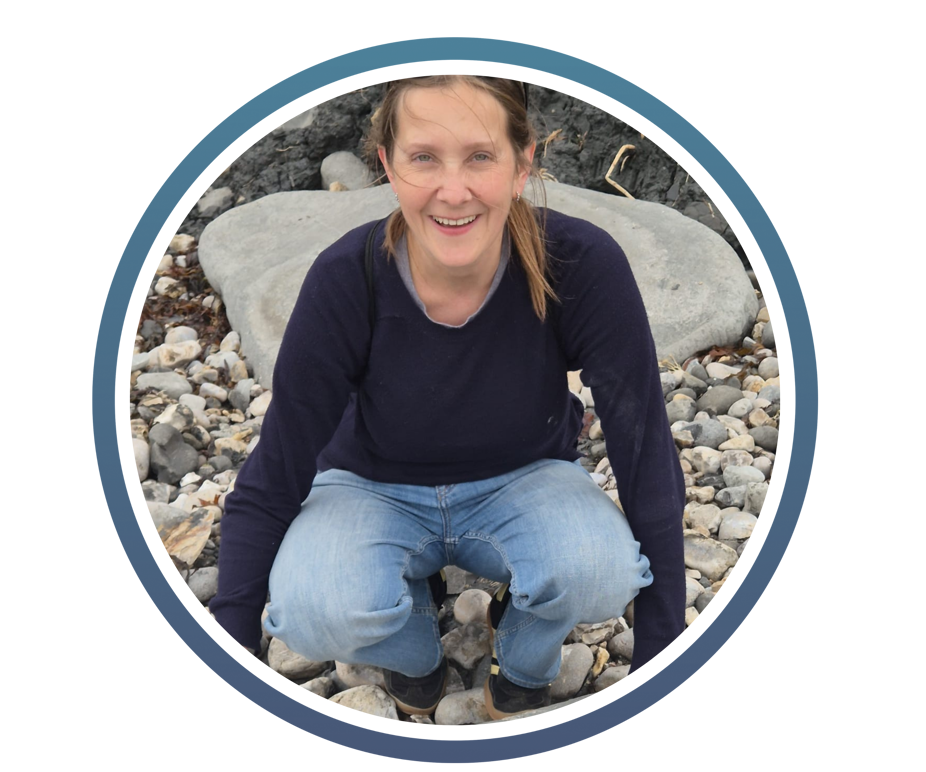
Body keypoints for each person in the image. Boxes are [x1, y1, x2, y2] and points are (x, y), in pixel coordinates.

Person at [208, 73, 685, 721]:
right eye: (424, 157)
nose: (452, 190)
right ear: (388, 166)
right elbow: (279, 462)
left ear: (523, 165)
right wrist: (232, 628)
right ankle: (418, 658)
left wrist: (661, 644)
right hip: (369, 486)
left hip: (526, 478)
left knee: (600, 574)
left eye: (481, 156)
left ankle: (522, 658)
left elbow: (643, 447)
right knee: (315, 610)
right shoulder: (348, 279)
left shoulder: (579, 261)